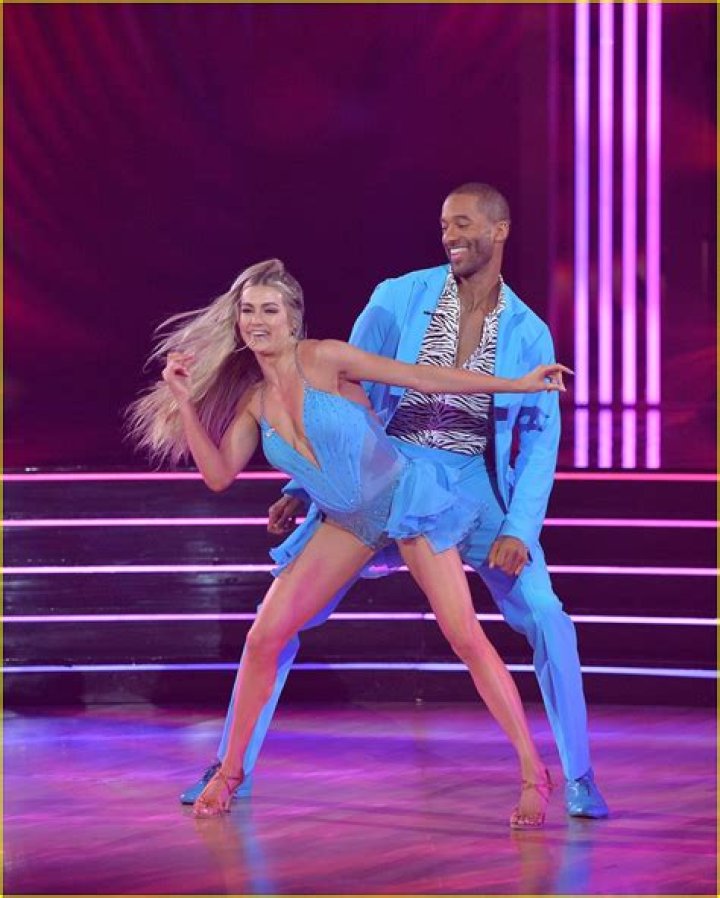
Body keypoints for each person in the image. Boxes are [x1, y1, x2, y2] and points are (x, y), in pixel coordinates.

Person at [180, 183, 609, 820]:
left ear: (499, 231)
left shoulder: (528, 331)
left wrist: (519, 526)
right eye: (443, 224)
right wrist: (305, 486)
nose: (449, 235)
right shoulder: (395, 297)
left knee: (543, 616)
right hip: (387, 467)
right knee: (280, 625)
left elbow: (541, 436)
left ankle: (574, 775)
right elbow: (340, 401)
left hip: (467, 483)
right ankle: (231, 767)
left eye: (463, 223)